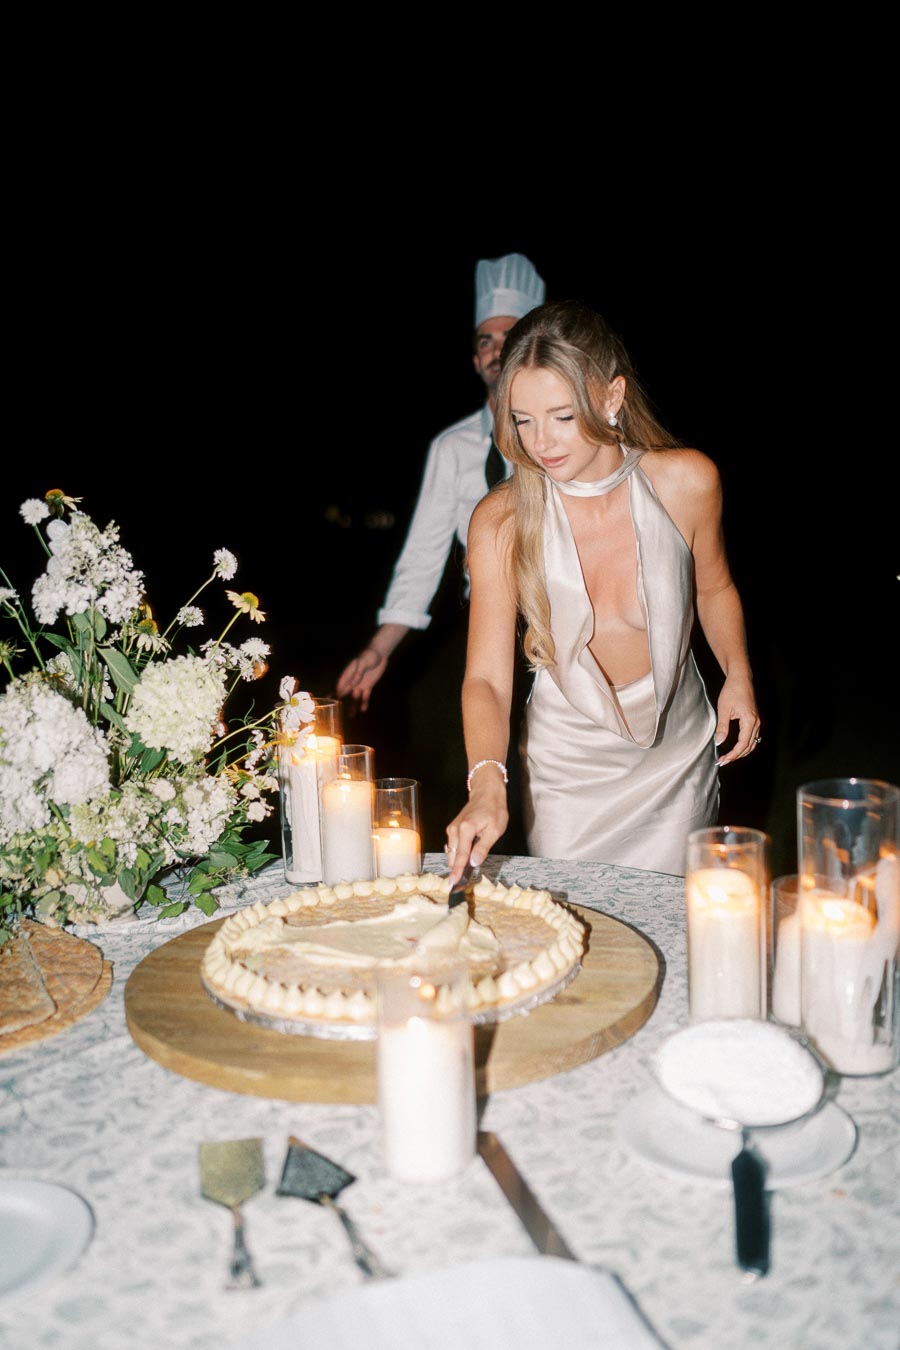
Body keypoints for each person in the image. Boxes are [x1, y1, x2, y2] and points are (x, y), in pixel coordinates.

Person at [446, 300, 761, 881]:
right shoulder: (502, 521)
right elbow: (487, 678)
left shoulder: (688, 481)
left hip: (676, 753)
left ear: (611, 397)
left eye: (562, 416)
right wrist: (487, 779)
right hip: (567, 770)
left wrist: (737, 673)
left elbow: (716, 588)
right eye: (523, 419)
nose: (542, 441)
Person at [336, 253, 546, 711]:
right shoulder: (452, 447)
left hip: (572, 617)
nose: (496, 350)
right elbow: (422, 557)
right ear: (475, 359)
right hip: (491, 624)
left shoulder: (564, 435)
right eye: (485, 341)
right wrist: (380, 648)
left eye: (509, 337)